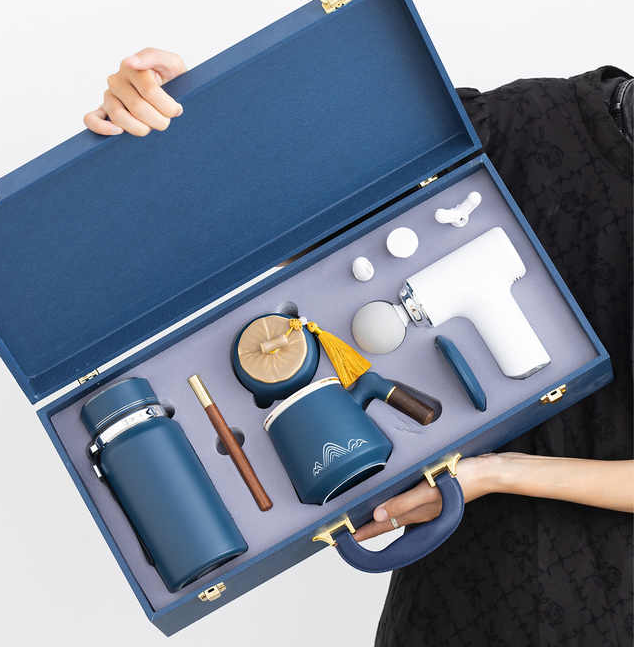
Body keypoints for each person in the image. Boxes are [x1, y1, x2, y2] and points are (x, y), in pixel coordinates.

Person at [85, 49, 634, 646]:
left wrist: (497, 473)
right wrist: (185, 116)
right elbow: (317, 226)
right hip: (456, 606)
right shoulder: (531, 121)